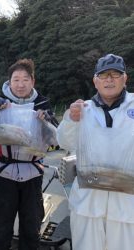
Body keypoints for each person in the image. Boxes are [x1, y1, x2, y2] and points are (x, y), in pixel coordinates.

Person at [0, 58, 59, 250]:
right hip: (3, 172)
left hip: (33, 173)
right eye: (16, 79)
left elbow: (58, 141)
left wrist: (48, 119)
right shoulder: (0, 103)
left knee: (31, 227)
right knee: (1, 226)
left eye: (25, 79)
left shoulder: (42, 104)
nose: (21, 84)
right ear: (9, 82)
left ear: (32, 81)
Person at [57, 53, 134, 250]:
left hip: (127, 205)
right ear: (95, 81)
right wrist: (70, 120)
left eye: (115, 74)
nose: (109, 79)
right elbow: (64, 142)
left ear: (125, 78)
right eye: (104, 75)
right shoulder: (82, 109)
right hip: (87, 203)